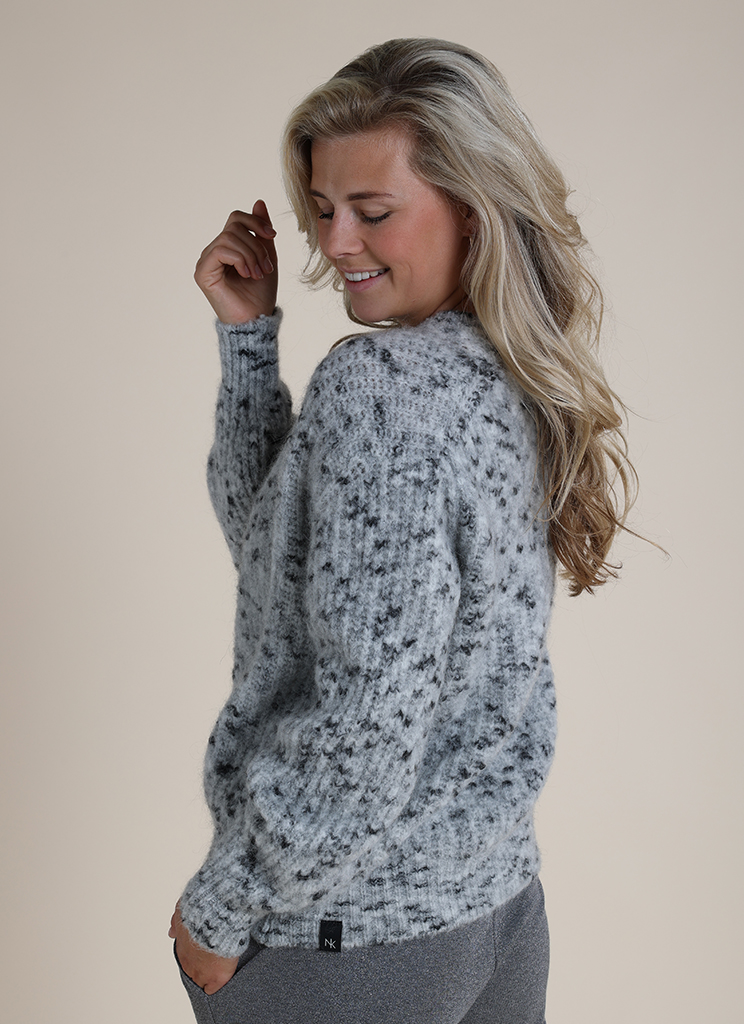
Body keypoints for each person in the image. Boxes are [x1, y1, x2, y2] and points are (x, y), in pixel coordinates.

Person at [169, 37, 634, 1024]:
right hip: (496, 913)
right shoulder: (515, 373)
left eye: (372, 211)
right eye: (322, 207)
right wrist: (249, 342)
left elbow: (369, 720)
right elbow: (280, 562)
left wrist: (226, 902)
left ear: (473, 206)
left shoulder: (381, 391)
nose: (337, 242)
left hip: (349, 939)